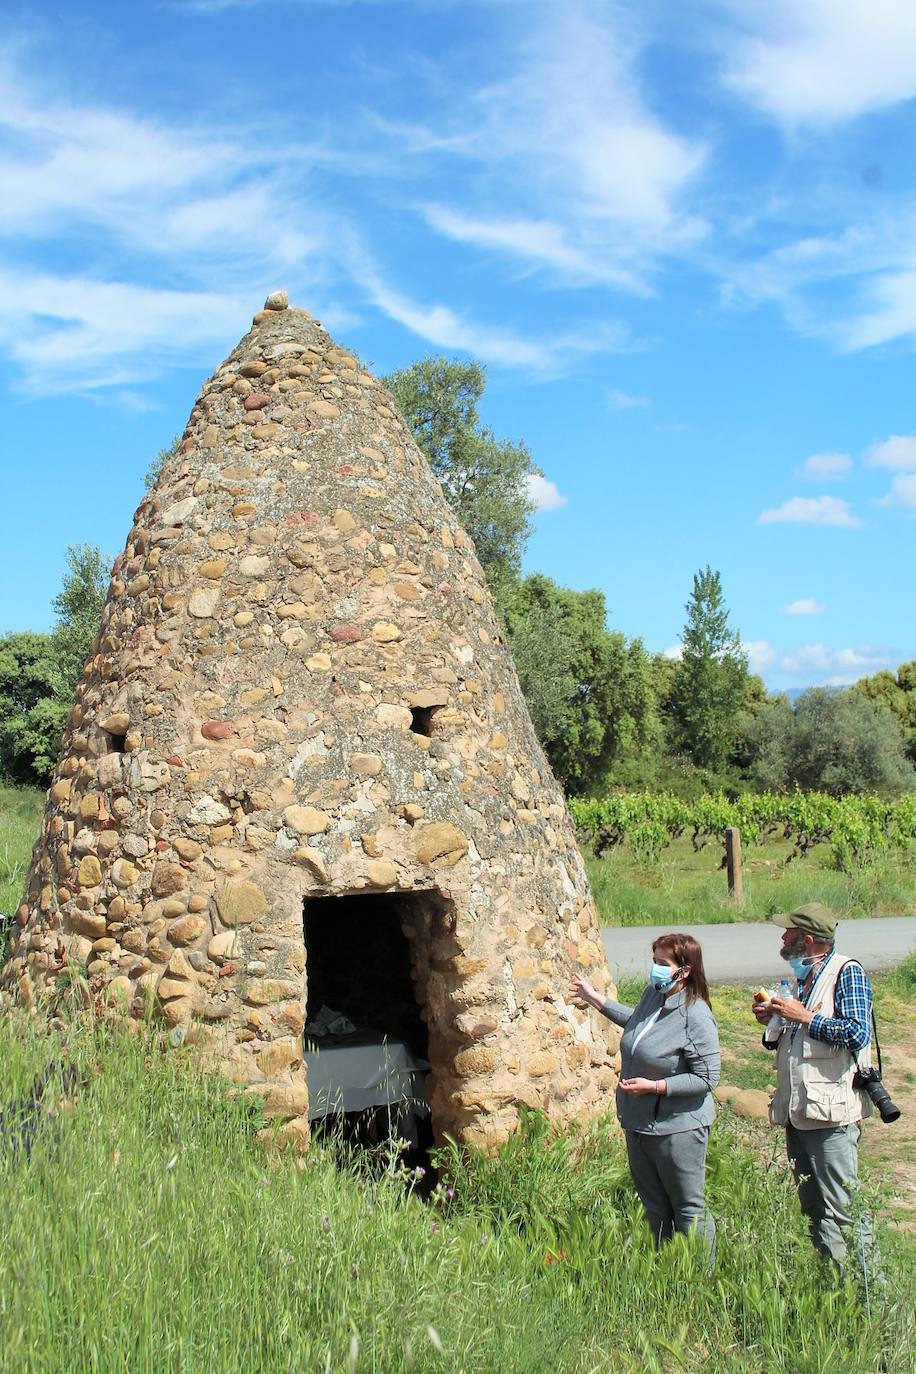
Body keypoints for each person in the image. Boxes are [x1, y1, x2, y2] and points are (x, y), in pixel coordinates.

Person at [570, 933, 720, 1263]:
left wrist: (656, 1088)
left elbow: (708, 1077)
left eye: (662, 964)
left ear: (685, 970)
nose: (655, 970)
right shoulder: (654, 995)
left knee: (688, 1206)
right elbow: (638, 1022)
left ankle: (700, 1278)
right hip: (639, 1122)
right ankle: (668, 1270)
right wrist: (596, 998)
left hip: (677, 1127)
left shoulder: (696, 1016)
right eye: (654, 962)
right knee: (655, 1205)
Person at [752, 902, 874, 1268]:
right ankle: (833, 1287)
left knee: (845, 1211)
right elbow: (796, 1041)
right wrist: (773, 1019)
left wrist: (804, 1016)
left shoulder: (846, 973)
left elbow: (856, 1032)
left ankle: (871, 1298)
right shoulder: (804, 978)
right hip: (799, 1113)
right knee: (815, 1210)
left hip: (831, 1118)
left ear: (806, 940)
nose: (782, 939)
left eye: (788, 933)